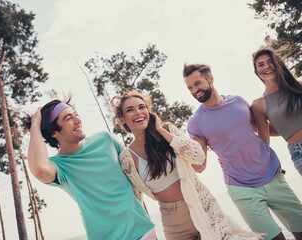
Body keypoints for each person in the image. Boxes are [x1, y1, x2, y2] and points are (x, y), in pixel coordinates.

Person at [112, 90, 261, 240]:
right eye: (130, 110)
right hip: (173, 223)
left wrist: (161, 131)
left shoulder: (167, 131)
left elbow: (198, 157)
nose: (138, 112)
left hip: (202, 206)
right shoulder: (126, 158)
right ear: (122, 119)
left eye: (142, 107)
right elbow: (137, 200)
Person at [183, 63, 302, 240]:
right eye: (190, 87)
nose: (195, 90)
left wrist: (295, 133)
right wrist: (176, 144)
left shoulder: (238, 101)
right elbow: (199, 166)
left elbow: (264, 129)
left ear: (210, 78)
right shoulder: (196, 123)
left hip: (273, 176)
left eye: (197, 83)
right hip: (242, 189)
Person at [26, 97, 156, 240]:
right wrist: (35, 125)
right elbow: (39, 169)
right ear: (53, 132)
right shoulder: (60, 166)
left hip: (143, 232)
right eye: (69, 118)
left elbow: (135, 175)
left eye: (76, 114)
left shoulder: (105, 139)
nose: (77, 120)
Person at [251, 45, 302, 176]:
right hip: (299, 152)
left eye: (270, 62)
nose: (267, 66)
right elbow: (264, 143)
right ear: (256, 72)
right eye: (260, 65)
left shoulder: (299, 86)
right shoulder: (258, 105)